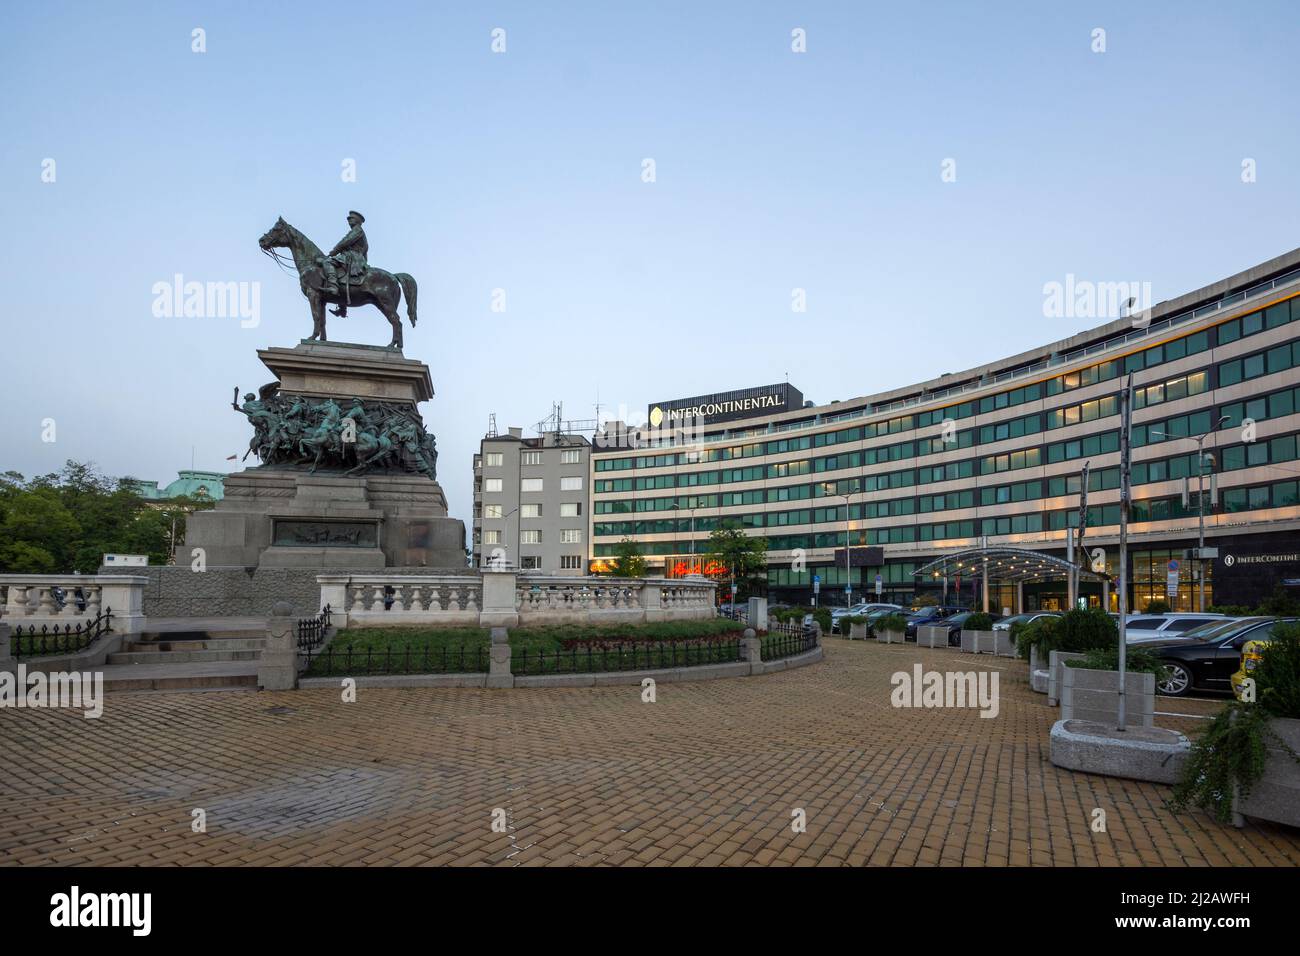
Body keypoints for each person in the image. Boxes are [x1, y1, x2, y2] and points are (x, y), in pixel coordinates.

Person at [319, 211, 368, 316]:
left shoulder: (357, 230)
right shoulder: (355, 230)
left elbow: (345, 242)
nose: (349, 220)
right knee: (341, 275)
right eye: (348, 219)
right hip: (351, 256)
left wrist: (333, 252)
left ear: (358, 220)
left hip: (354, 257)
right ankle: (342, 308)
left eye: (351, 218)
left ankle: (333, 287)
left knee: (328, 262)